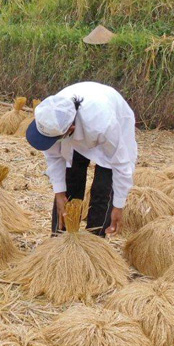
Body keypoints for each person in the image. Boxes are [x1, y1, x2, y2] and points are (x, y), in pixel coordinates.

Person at [25, 82, 137, 236]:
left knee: (102, 190)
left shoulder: (104, 125)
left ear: (69, 130)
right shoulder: (51, 115)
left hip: (110, 122)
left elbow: (121, 164)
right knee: (71, 180)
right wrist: (59, 193)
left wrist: (118, 206)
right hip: (77, 127)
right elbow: (53, 155)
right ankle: (61, 239)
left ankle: (94, 242)